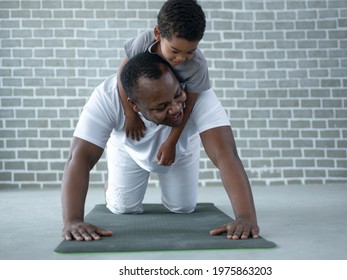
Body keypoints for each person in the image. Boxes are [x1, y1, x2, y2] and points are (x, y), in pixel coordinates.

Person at [61, 53, 259, 241]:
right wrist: (73, 220)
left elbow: (226, 155)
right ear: (134, 105)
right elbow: (79, 157)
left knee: (183, 208)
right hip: (128, 146)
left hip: (180, 147)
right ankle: (111, 184)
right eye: (161, 106)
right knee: (123, 208)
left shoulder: (200, 94)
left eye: (177, 95)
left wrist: (245, 218)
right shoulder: (106, 98)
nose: (175, 108)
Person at [117, 0, 208, 167]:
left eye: (190, 51)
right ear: (157, 34)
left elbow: (188, 108)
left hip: (176, 105)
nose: (181, 58)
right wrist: (129, 114)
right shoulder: (144, 42)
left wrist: (171, 142)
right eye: (174, 50)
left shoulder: (197, 66)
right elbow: (123, 75)